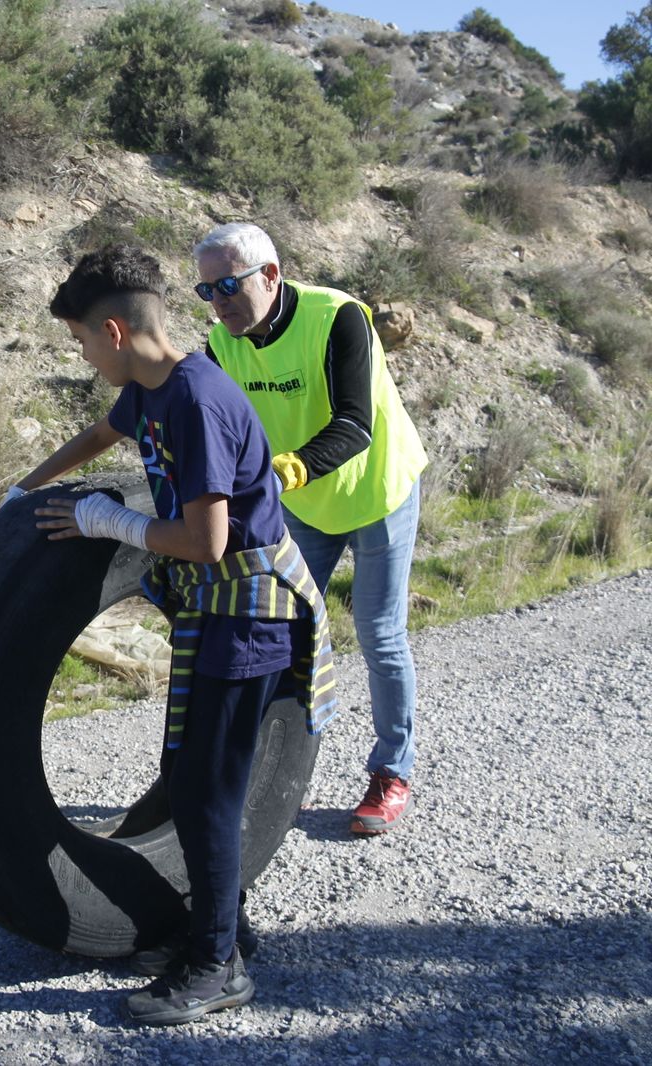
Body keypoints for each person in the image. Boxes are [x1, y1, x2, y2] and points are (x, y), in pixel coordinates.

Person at [15, 248, 334, 1026]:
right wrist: (25, 492)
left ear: (117, 331)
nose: (85, 358)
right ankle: (216, 925)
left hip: (249, 607)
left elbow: (208, 542)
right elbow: (98, 435)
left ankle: (218, 963)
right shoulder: (151, 389)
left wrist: (109, 519)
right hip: (212, 607)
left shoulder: (194, 400)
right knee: (188, 776)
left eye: (84, 342)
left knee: (209, 793)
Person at [192, 222, 427, 835]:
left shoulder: (339, 317)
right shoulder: (223, 341)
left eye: (226, 285)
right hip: (302, 504)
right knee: (285, 635)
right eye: (205, 291)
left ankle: (391, 772)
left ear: (269, 275)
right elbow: (216, 424)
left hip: (377, 492)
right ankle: (277, 780)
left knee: (378, 634)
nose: (217, 302)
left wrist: (284, 472)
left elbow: (356, 425)